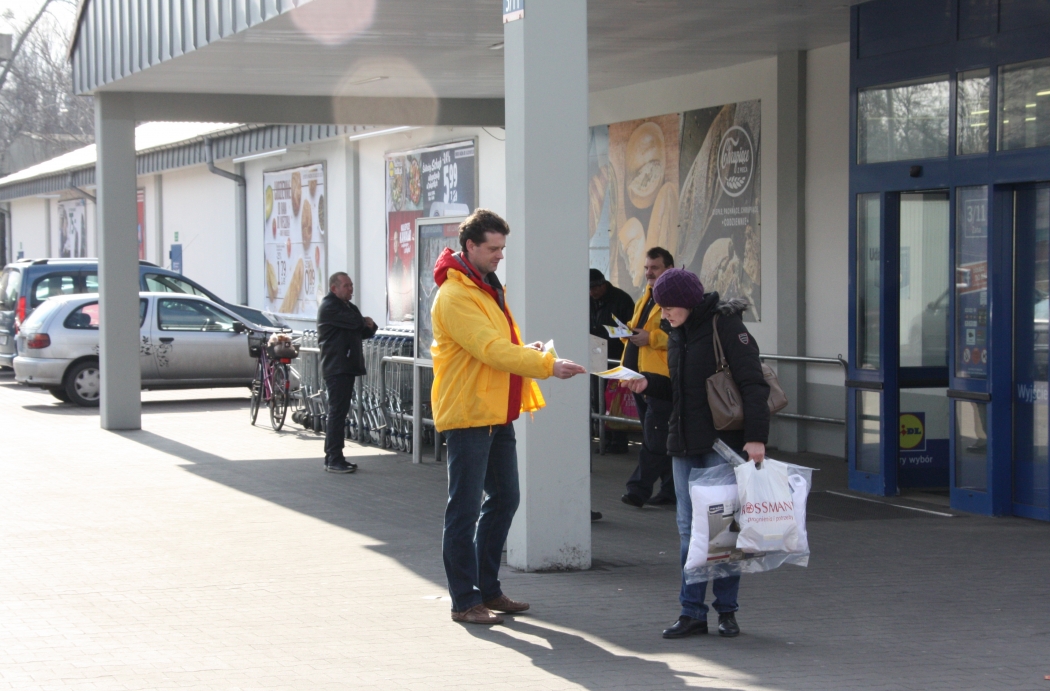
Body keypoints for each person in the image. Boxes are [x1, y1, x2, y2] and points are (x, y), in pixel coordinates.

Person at [430, 208, 587, 625]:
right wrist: (546, 365)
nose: (500, 255)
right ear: (470, 246)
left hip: (494, 411)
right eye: (493, 248)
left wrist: (527, 352)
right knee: (464, 510)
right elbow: (490, 350)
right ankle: (465, 601)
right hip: (469, 414)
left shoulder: (482, 286)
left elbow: (496, 345)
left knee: (504, 499)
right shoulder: (456, 294)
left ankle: (487, 590)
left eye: (502, 248)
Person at [623, 268, 769, 640]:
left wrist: (756, 438)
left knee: (721, 533)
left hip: (722, 445)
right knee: (689, 532)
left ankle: (727, 611)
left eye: (669, 307)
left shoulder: (725, 326)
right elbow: (680, 390)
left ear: (688, 301)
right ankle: (691, 612)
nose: (665, 314)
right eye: (661, 307)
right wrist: (648, 383)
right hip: (684, 444)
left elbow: (753, 383)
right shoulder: (677, 332)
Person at [620, 247, 676, 508]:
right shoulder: (648, 296)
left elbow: (678, 336)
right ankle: (670, 490)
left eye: (654, 268)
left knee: (655, 437)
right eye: (646, 268)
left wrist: (650, 338)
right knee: (658, 436)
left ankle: (638, 490)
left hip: (660, 380)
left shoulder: (674, 297)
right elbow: (639, 331)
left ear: (669, 269)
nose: (649, 273)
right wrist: (627, 334)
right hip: (640, 378)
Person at [317, 272, 377, 474]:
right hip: (336, 367)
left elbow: (362, 329)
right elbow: (356, 323)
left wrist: (368, 325)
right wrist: (362, 321)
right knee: (337, 413)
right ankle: (333, 458)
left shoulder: (348, 307)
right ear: (334, 288)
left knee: (340, 412)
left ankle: (334, 457)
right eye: (346, 286)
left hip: (346, 366)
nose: (351, 289)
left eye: (351, 285)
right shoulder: (330, 306)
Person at [589, 268, 635, 453]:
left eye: (594, 288)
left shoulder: (622, 299)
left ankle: (619, 440)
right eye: (589, 289)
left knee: (615, 399)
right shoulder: (587, 300)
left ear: (603, 284)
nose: (592, 292)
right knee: (598, 397)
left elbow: (631, 329)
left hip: (616, 356)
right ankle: (604, 437)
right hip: (595, 354)